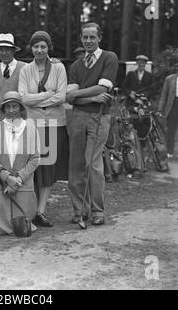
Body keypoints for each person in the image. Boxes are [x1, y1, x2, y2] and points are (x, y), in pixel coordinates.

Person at [66, 22, 118, 226]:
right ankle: (80, 210)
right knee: (76, 165)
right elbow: (70, 99)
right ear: (81, 38)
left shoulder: (109, 58)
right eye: (85, 37)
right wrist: (91, 98)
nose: (88, 41)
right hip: (78, 117)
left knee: (92, 163)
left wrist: (78, 94)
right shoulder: (76, 65)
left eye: (92, 37)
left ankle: (98, 211)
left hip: (99, 117)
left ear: (99, 38)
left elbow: (101, 89)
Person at [18, 30, 68, 228]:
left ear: (49, 48)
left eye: (43, 46)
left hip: (54, 123)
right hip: (33, 124)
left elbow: (61, 97)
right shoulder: (25, 70)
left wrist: (35, 100)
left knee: (48, 168)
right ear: (31, 48)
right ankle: (30, 208)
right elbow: (23, 98)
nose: (39, 50)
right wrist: (48, 94)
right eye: (36, 46)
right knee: (32, 166)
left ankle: (41, 211)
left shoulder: (58, 68)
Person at [0, 91, 39, 235]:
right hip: (1, 183)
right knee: (3, 228)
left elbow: (35, 158)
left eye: (15, 106)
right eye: (8, 107)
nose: (11, 110)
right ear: (3, 110)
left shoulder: (31, 128)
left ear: (21, 108)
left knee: (22, 225)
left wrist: (18, 179)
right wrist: (7, 178)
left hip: (23, 182)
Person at [0, 33, 27, 123]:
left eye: (7, 50)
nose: (4, 53)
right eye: (1, 50)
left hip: (19, 119)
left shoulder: (25, 68)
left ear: (13, 51)